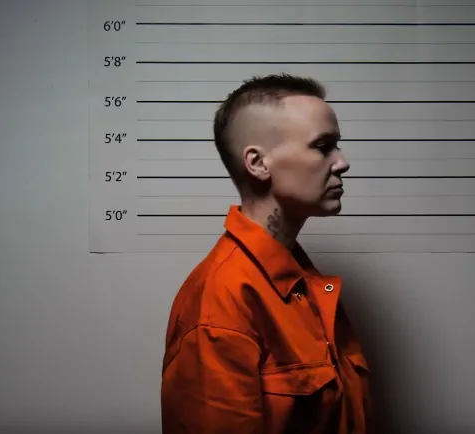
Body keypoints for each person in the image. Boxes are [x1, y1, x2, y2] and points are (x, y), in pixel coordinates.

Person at [159, 73, 374, 433]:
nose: (342, 162)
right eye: (323, 146)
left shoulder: (305, 284)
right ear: (258, 163)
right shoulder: (222, 301)